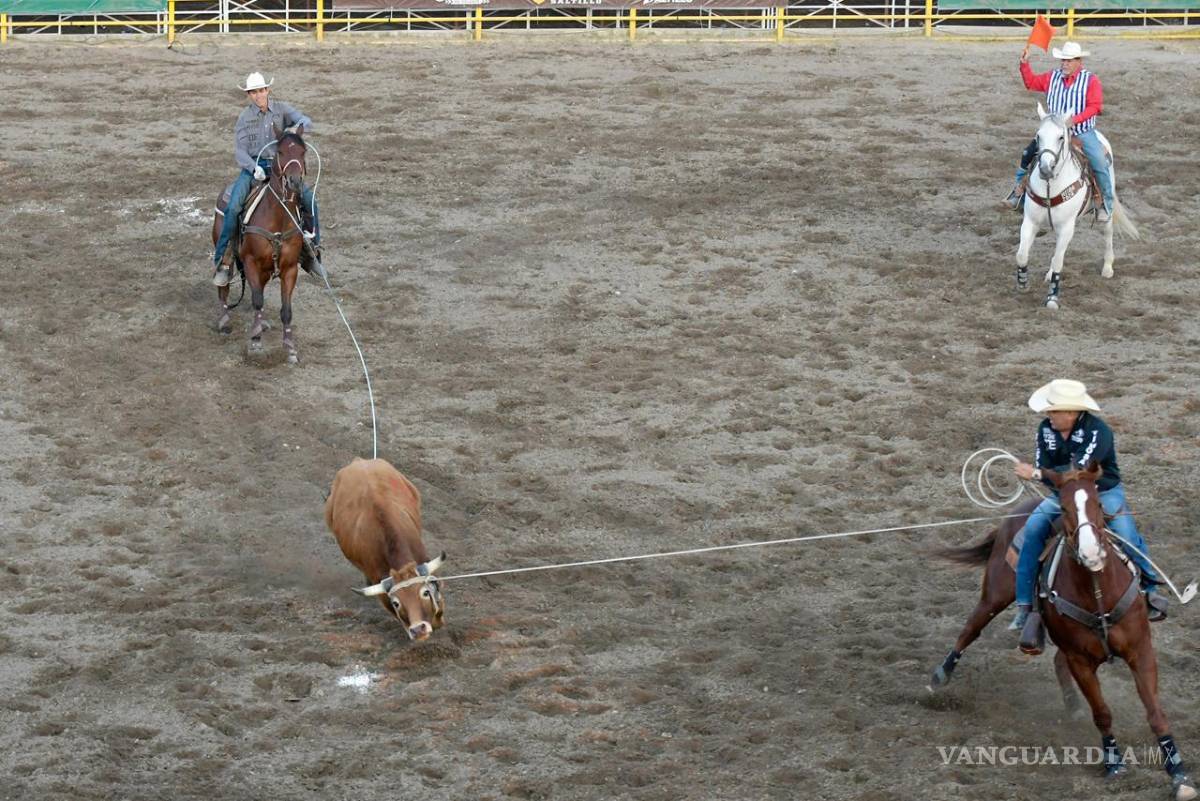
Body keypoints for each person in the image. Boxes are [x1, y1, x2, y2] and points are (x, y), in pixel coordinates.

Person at [1008, 379, 1168, 637]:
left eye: (1054, 410)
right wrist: (1043, 474)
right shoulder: (1045, 430)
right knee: (1033, 529)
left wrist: (1037, 474)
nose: (1049, 415)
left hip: (1103, 491)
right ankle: (1025, 604)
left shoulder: (1098, 431)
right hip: (1064, 494)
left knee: (1125, 533)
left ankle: (1150, 587)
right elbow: (1047, 466)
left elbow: (1078, 471)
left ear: (1071, 412)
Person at [212, 71, 322, 287]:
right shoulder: (245, 117)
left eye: (261, 90)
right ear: (249, 95)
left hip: (280, 167)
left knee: (309, 200)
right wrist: (254, 169)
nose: (258, 95)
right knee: (233, 207)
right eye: (254, 92)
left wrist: (294, 132)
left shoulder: (281, 109)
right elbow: (240, 152)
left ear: (267, 90)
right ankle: (223, 261)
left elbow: (305, 120)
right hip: (254, 169)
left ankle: (312, 251)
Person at [1003, 41, 1114, 223]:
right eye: (1063, 60)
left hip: (1081, 131)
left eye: (1069, 60)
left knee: (1100, 162)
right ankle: (1019, 193)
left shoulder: (1091, 80)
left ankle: (1106, 204)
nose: (1065, 64)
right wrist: (1024, 65)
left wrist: (1074, 120)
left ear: (1079, 61)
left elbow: (1095, 107)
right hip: (1054, 132)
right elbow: (1031, 83)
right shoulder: (1052, 77)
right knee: (1028, 153)